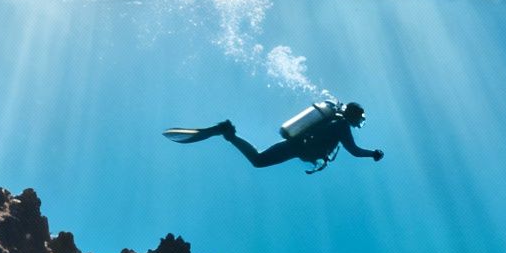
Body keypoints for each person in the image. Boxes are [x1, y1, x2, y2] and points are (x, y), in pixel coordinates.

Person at [164, 101, 385, 173]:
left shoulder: (334, 122)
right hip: (297, 147)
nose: (359, 124)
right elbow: (354, 151)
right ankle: (227, 132)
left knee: (258, 160)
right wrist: (372, 153)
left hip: (297, 145)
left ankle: (228, 134)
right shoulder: (341, 126)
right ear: (353, 116)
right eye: (360, 119)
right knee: (259, 161)